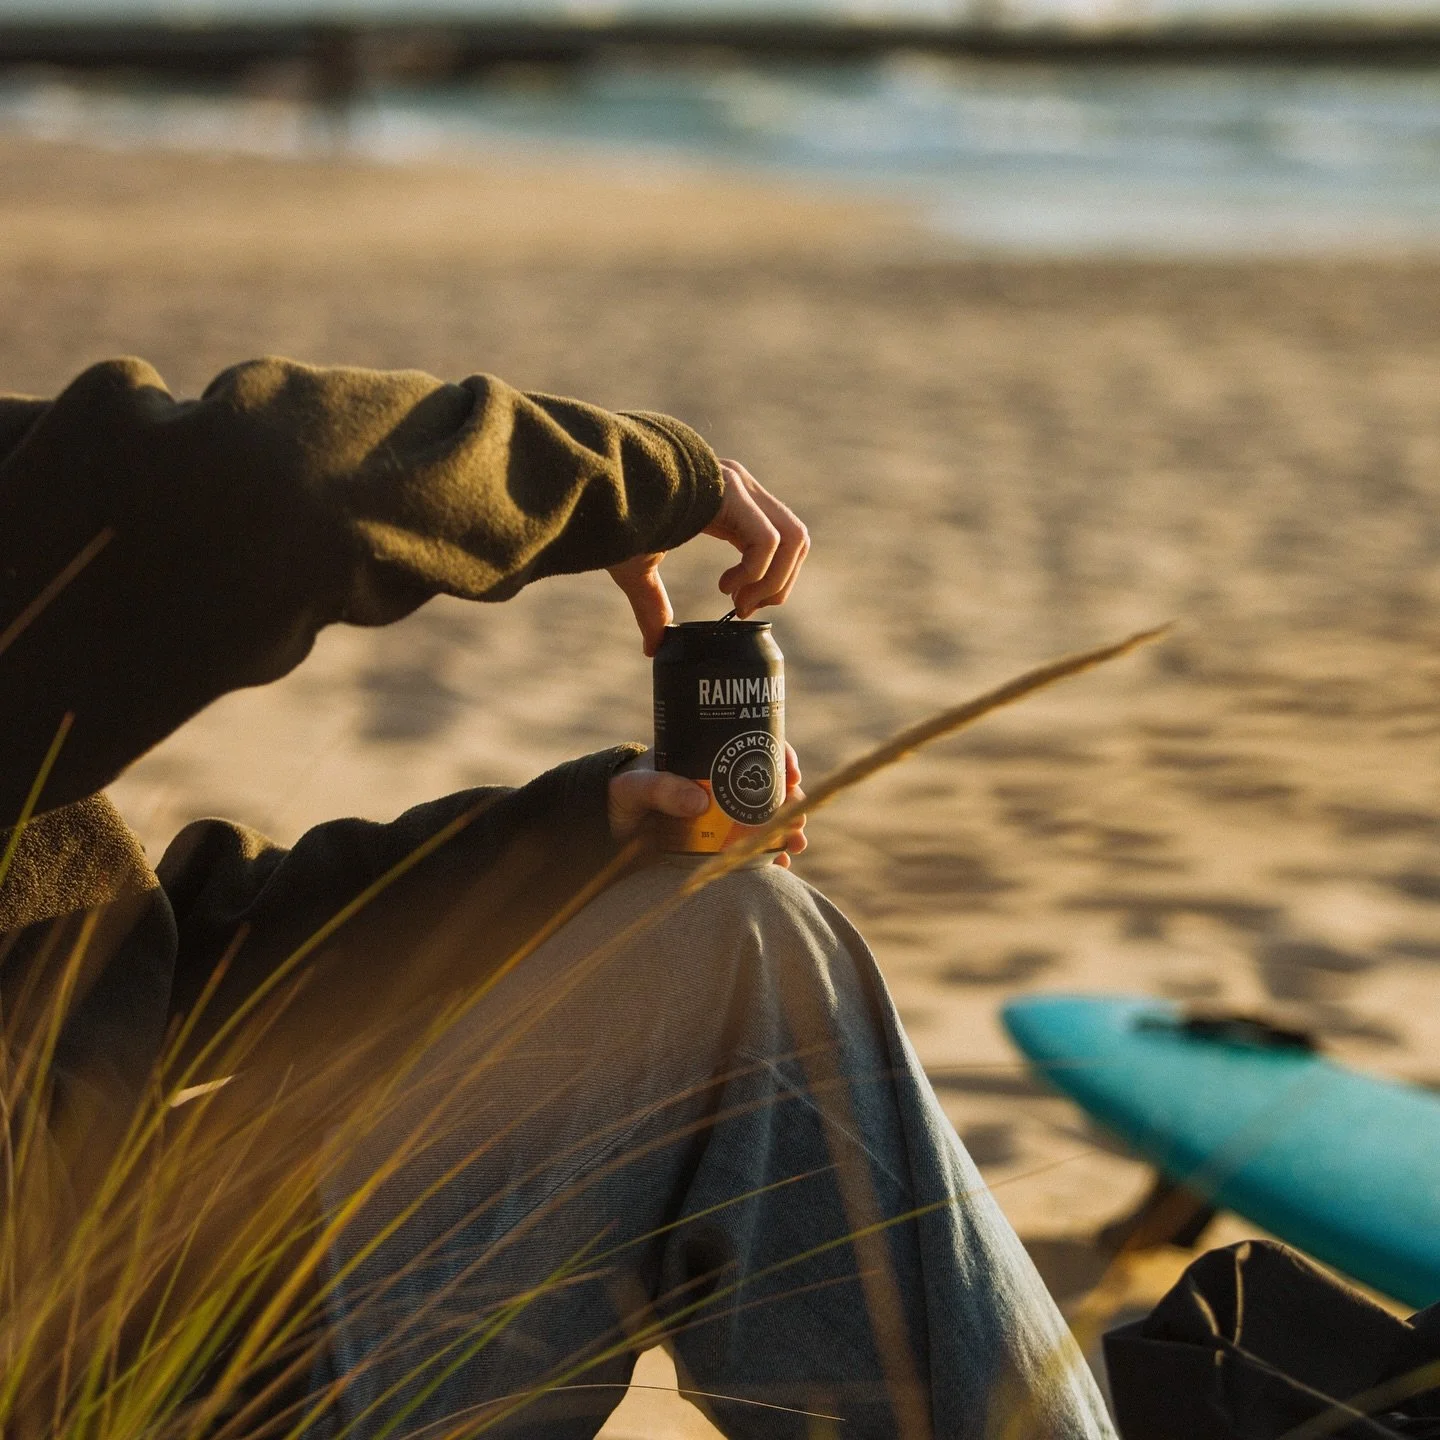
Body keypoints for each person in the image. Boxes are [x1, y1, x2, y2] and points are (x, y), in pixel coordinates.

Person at [0, 356, 1114, 1439]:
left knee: (723, 939)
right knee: (744, 971)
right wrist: (642, 475)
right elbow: (262, 480)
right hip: (103, 1368)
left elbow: (144, 970)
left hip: (146, 1257)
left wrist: (577, 835)